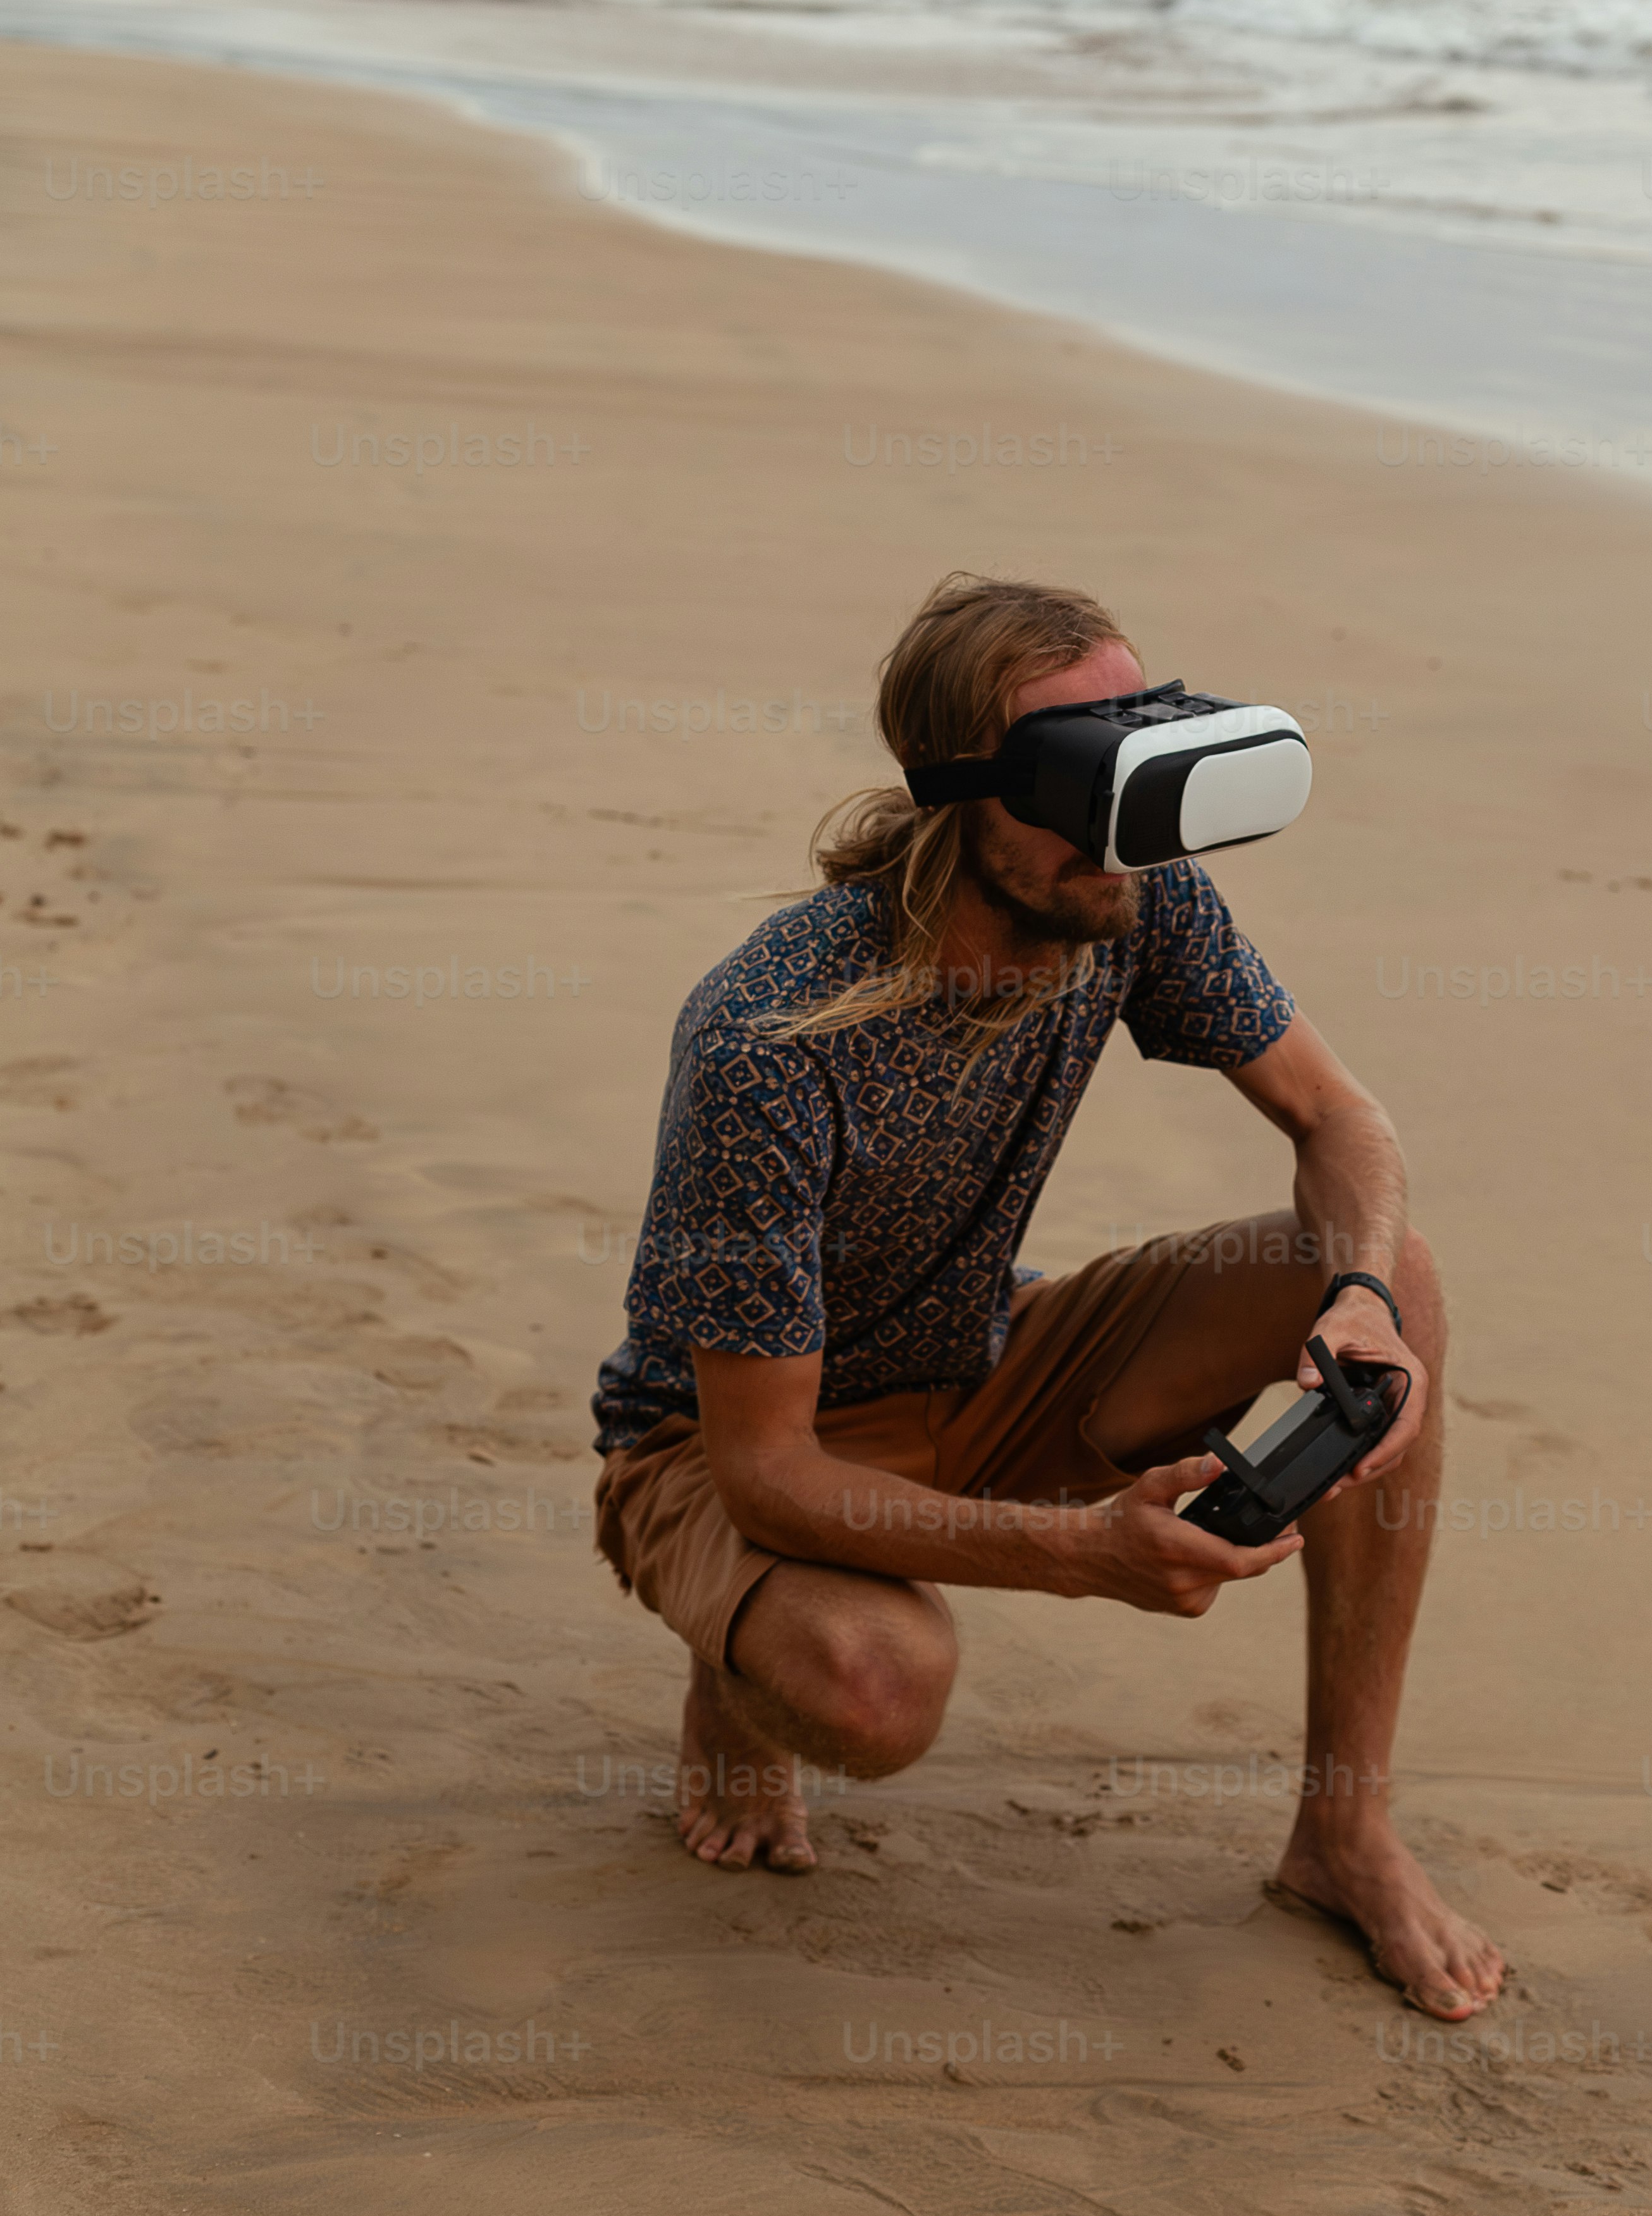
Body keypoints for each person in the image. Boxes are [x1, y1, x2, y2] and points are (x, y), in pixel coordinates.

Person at [591, 570, 1503, 2020]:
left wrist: (1356, 1299)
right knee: (874, 1689)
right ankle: (735, 1663)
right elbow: (766, 1471)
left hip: (985, 1349)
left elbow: (1344, 1124)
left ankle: (1345, 1830)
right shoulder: (770, 1036)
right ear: (966, 798)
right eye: (1087, 786)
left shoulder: (1124, 896)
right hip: (730, 1439)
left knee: (1404, 1282)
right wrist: (1087, 1554)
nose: (1122, 840)